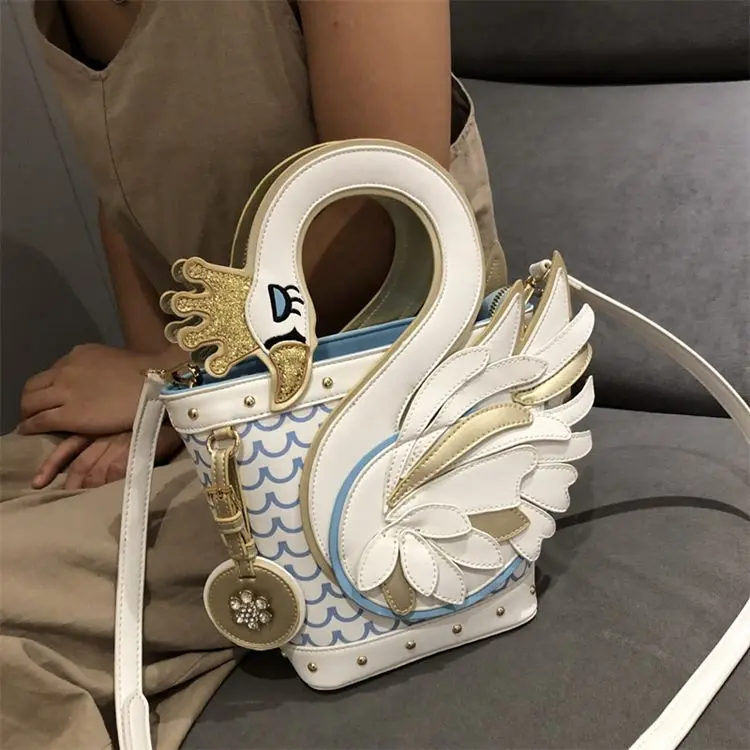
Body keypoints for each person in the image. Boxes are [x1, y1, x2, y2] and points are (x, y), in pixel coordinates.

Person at [0, 1, 508, 748]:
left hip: (389, 416)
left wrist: (176, 377)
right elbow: (127, 195)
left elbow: (388, 201)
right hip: (217, 407)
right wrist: (168, 403)